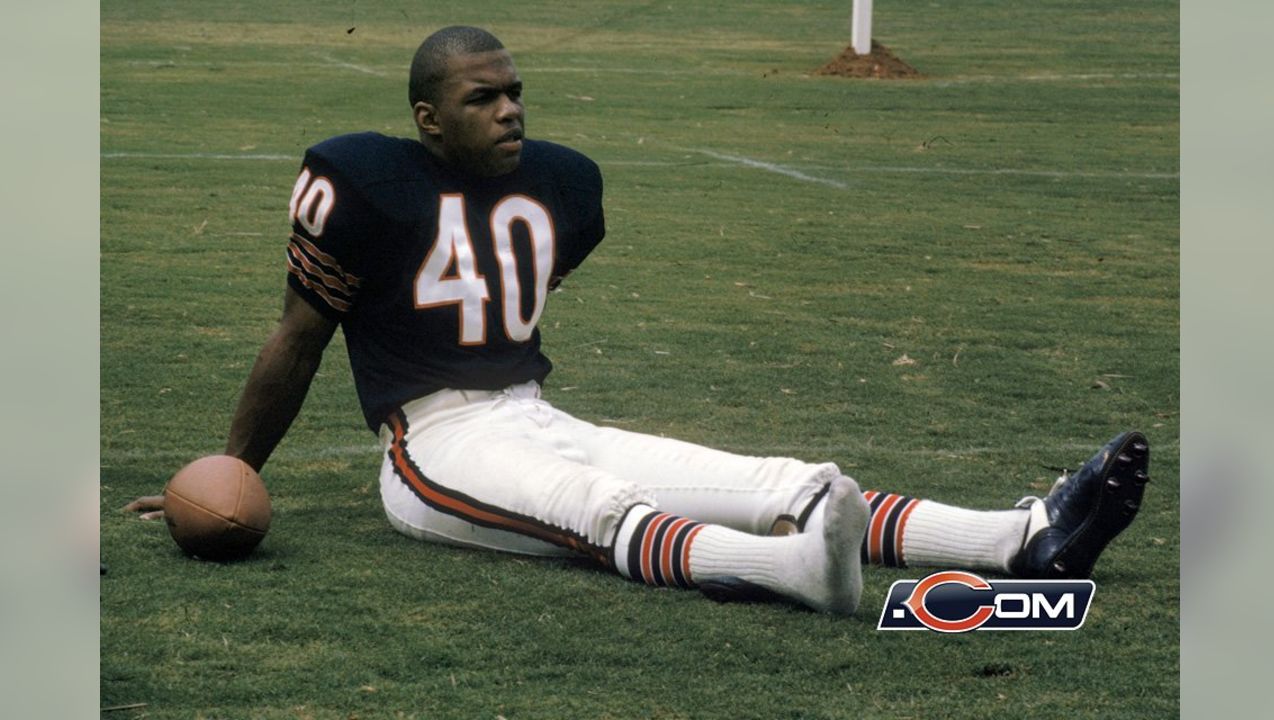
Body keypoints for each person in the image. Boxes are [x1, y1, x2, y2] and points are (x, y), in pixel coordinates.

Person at [126, 26, 1150, 615]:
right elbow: (297, 337)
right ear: (429, 120)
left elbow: (540, 274)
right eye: (484, 98)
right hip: (427, 446)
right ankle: (791, 573)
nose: (512, 110)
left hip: (532, 409)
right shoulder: (362, 177)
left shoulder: (564, 182)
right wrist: (234, 473)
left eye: (516, 92)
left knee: (779, 480)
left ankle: (1022, 540)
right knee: (593, 507)